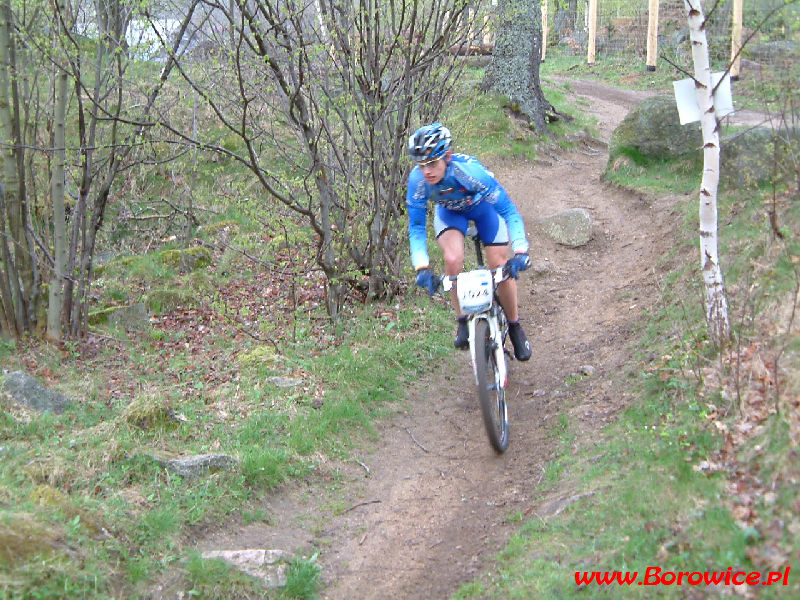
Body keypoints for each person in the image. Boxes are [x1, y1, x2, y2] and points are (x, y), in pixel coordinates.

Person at [405, 122, 532, 361]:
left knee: (499, 265)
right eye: (421, 165)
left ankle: (514, 326)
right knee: (452, 260)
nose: (427, 171)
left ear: (448, 157)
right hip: (451, 214)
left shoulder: (470, 173)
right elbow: (417, 226)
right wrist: (421, 267)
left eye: (432, 163)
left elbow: (508, 211)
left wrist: (521, 250)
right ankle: (462, 319)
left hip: (484, 211)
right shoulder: (418, 182)